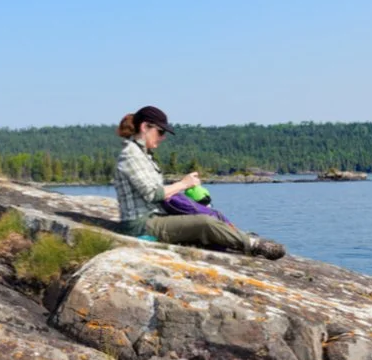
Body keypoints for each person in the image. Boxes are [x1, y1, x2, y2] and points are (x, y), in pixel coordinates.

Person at [113, 105, 285, 259]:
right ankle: (253, 245)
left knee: (206, 218)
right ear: (144, 127)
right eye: (161, 132)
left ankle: (237, 237)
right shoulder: (131, 155)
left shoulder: (142, 154)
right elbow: (153, 194)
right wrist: (184, 183)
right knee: (204, 222)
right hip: (143, 225)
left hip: (156, 217)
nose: (163, 137)